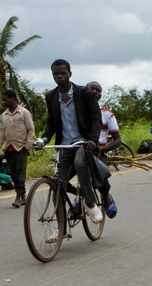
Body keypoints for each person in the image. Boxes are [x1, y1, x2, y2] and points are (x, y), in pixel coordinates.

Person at [36, 58, 103, 223]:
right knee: (58, 184)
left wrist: (93, 139)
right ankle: (60, 229)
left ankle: (90, 202)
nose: (59, 76)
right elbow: (51, 122)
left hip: (82, 142)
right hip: (64, 144)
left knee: (81, 163)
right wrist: (44, 139)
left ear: (69, 74)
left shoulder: (85, 93)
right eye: (55, 74)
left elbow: (96, 118)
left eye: (62, 73)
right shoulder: (51, 96)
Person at [0, 89, 35, 207]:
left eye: (5, 99)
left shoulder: (24, 112)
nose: (3, 102)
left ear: (13, 99)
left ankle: (19, 196)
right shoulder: (4, 115)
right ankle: (21, 193)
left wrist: (27, 146)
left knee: (21, 172)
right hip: (9, 148)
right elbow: (1, 133)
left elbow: (31, 130)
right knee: (13, 173)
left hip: (21, 147)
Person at [86, 81, 119, 218]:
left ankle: (105, 197)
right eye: (91, 89)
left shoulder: (107, 115)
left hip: (99, 153)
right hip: (81, 150)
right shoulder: (78, 112)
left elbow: (118, 140)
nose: (94, 92)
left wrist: (101, 151)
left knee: (101, 177)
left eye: (97, 90)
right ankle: (79, 198)